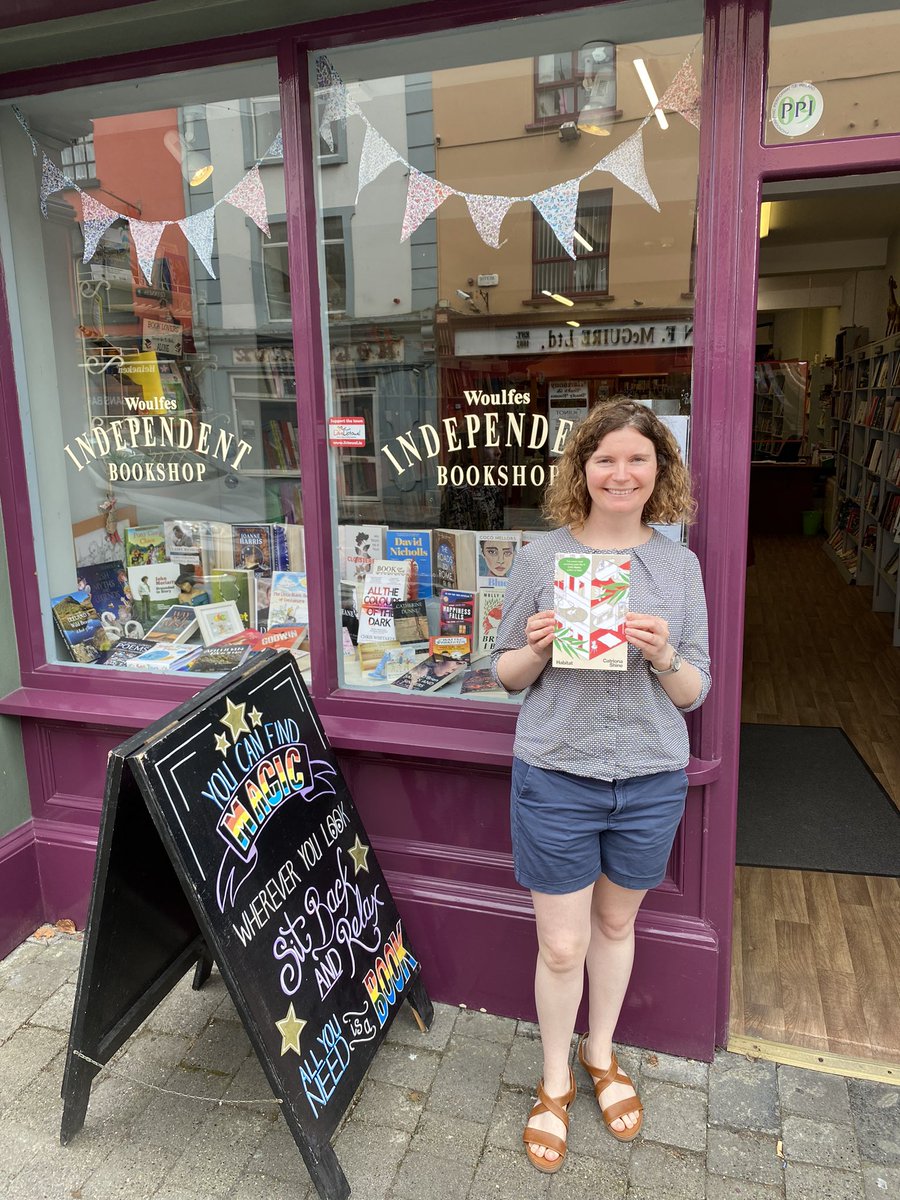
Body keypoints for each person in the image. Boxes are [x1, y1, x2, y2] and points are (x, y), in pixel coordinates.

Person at [491, 399, 711, 1174]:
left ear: (660, 469)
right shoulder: (540, 560)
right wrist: (538, 649)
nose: (622, 473)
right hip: (557, 773)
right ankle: (555, 1081)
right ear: (582, 469)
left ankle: (602, 1052)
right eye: (605, 458)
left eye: (638, 458)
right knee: (562, 945)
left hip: (649, 777)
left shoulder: (678, 567)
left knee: (616, 928)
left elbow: (694, 692)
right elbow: (504, 673)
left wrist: (662, 657)